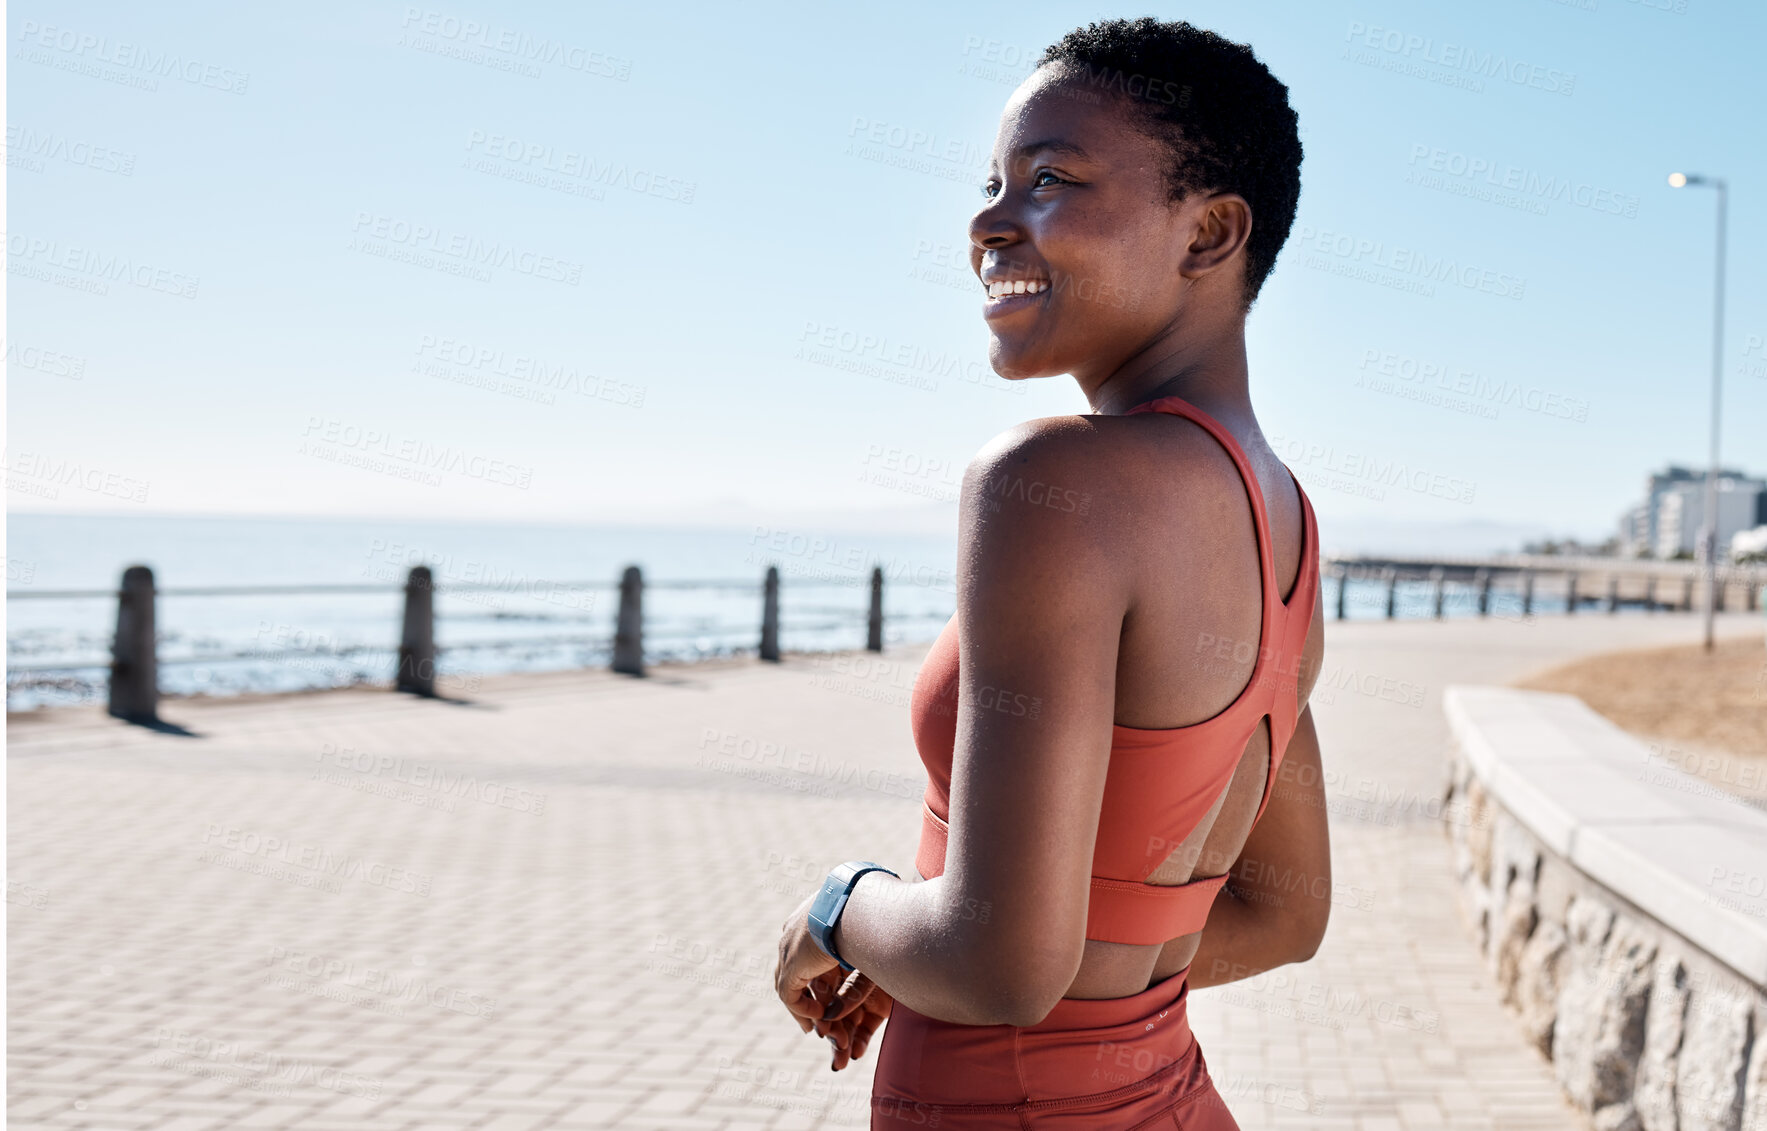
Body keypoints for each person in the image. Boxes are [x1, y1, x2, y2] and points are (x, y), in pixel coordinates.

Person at [774, 17, 1329, 1129]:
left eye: (1050, 179)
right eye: (992, 182)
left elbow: (997, 968)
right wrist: (1065, 992)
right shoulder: (1284, 522)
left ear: (1211, 233)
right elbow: (1284, 915)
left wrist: (844, 908)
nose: (987, 220)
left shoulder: (1052, 482)